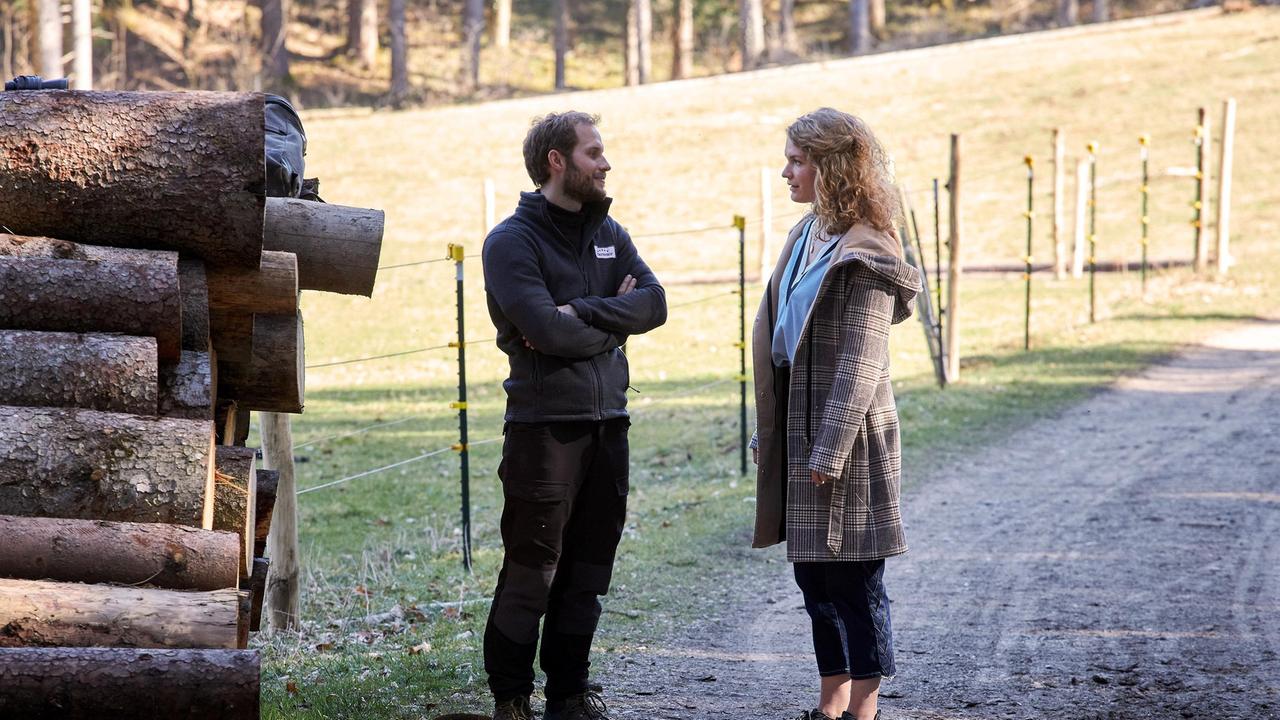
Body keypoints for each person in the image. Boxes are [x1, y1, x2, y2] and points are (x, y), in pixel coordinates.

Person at [480, 111, 668, 720]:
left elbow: (655, 303)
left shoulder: (609, 229)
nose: (605, 163)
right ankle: (511, 697)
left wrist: (581, 313)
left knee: (588, 569)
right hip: (543, 431)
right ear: (556, 161)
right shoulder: (511, 242)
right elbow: (543, 332)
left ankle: (569, 695)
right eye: (593, 152)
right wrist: (609, 323)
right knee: (534, 569)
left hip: (609, 424)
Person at [750, 108, 921, 720]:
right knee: (813, 580)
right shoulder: (805, 235)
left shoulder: (868, 250)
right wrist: (770, 432)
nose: (785, 172)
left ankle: (864, 711)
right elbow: (783, 338)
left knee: (853, 581)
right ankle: (831, 704)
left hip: (847, 439)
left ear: (833, 167)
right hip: (799, 425)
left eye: (798, 161)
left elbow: (860, 363)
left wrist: (828, 450)